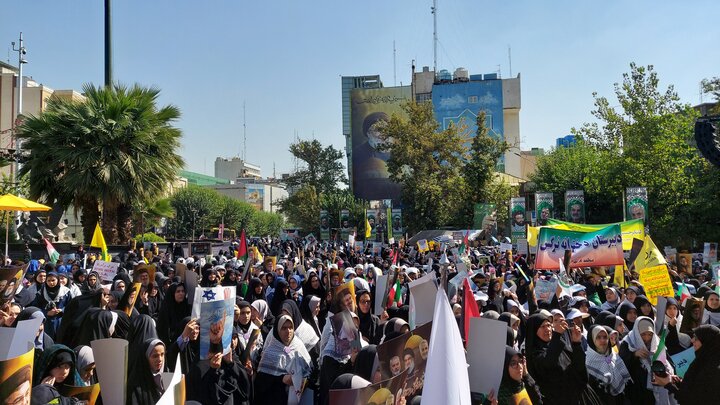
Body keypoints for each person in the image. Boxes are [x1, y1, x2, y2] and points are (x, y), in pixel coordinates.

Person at [525, 313, 601, 404]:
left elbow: (579, 368)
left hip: (581, 397)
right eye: (542, 326)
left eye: (549, 325)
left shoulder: (560, 345)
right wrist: (556, 336)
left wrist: (576, 343)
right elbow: (548, 363)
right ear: (534, 331)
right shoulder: (535, 354)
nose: (547, 329)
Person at [653, 325, 720, 404]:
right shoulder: (703, 360)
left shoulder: (713, 370)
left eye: (696, 338)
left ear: (706, 342)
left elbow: (691, 400)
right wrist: (678, 382)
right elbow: (695, 388)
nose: (692, 340)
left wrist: (668, 385)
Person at [254, 314, 312, 405]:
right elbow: (262, 382)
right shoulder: (270, 352)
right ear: (277, 330)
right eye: (284, 328)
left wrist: (303, 381)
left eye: (290, 328)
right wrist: (282, 379)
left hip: (299, 398)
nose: (288, 331)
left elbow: (310, 370)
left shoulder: (299, 346)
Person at [618, 316, 674, 404]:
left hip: (658, 385)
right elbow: (621, 364)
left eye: (650, 334)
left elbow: (670, 362)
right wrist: (634, 354)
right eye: (643, 334)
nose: (647, 338)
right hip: (637, 389)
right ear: (637, 332)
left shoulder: (657, 342)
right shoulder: (628, 343)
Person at [584, 325, 630, 404]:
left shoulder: (612, 354)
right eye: (598, 337)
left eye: (605, 337)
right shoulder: (587, 360)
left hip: (619, 398)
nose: (602, 340)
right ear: (592, 339)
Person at [127, 339, 167, 404]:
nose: (160, 359)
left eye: (162, 354)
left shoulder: (167, 376)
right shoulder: (136, 386)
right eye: (155, 356)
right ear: (146, 358)